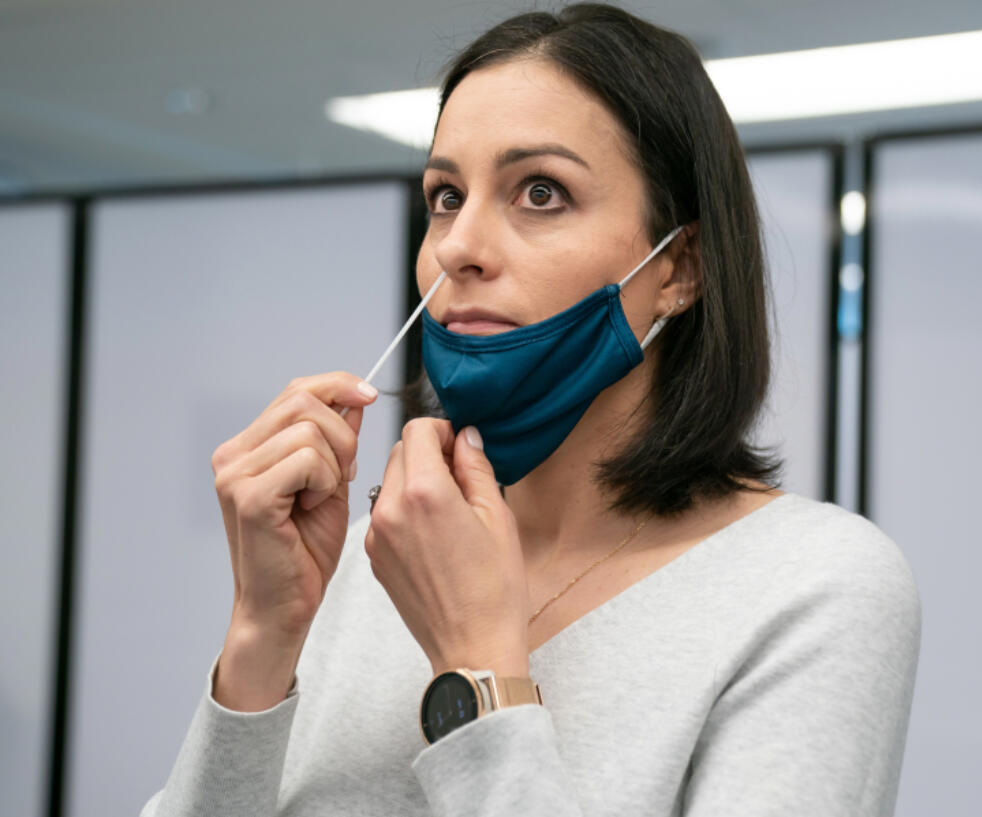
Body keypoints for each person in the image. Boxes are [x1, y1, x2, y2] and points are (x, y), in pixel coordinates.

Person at [142, 4, 920, 815]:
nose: (456, 247)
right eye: (446, 196)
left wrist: (478, 667)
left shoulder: (818, 589)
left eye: (540, 192)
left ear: (680, 267)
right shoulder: (382, 557)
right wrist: (263, 635)